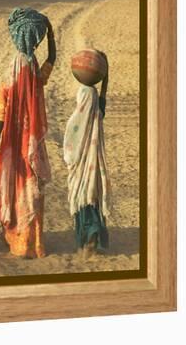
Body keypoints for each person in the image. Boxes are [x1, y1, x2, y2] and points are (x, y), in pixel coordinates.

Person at [0, 7, 56, 259]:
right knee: (32, 189)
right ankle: (33, 243)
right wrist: (50, 35)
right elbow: (52, 61)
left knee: (13, 186)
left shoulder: (11, 71)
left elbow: (0, 112)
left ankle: (14, 238)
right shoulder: (35, 69)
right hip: (31, 144)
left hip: (12, 144)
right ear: (36, 39)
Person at [63, 52, 111, 259]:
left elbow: (70, 143)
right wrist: (105, 79)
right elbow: (102, 100)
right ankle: (94, 237)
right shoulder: (98, 111)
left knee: (82, 199)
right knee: (93, 198)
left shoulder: (77, 117)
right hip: (93, 163)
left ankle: (88, 239)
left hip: (82, 165)